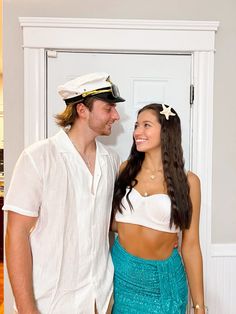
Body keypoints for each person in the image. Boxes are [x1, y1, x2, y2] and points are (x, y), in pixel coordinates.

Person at [3, 72, 125, 314]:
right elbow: (15, 234)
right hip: (51, 303)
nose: (116, 116)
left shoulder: (111, 161)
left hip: (100, 299)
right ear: (82, 110)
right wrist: (28, 309)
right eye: (108, 108)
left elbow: (108, 223)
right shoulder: (38, 157)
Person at [111, 103, 207, 314]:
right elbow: (112, 224)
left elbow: (190, 246)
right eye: (136, 125)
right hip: (122, 276)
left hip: (164, 282)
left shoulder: (189, 182)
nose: (137, 132)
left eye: (146, 125)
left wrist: (199, 306)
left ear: (166, 132)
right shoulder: (124, 170)